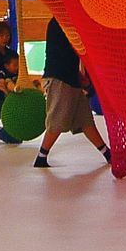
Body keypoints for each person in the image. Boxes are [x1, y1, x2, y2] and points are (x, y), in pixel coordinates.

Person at [34, 16, 110, 168]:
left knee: (85, 120)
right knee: (57, 119)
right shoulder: (60, 22)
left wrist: (82, 75)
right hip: (60, 77)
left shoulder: (65, 21)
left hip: (69, 77)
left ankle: (108, 154)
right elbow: (76, 47)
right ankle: (41, 157)